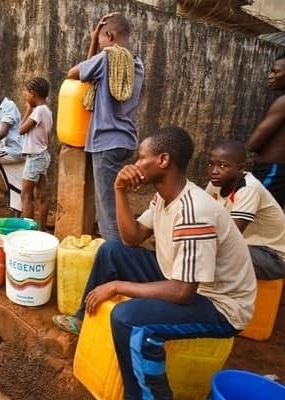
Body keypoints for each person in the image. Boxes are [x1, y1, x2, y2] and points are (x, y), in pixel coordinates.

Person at [52, 126, 256, 399]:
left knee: (129, 319)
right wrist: (119, 190)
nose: (135, 165)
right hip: (182, 279)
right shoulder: (164, 197)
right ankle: (81, 319)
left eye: (140, 158)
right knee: (111, 250)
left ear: (163, 160)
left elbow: (182, 292)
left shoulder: (194, 213)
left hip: (220, 305)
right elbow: (131, 238)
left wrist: (116, 286)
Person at [67, 12, 144, 240]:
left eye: (101, 39)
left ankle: (114, 258)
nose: (99, 44)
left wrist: (92, 42)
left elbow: (74, 73)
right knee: (114, 199)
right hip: (124, 139)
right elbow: (91, 76)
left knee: (107, 210)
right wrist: (96, 40)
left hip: (105, 141)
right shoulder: (136, 63)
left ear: (109, 35)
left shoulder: (107, 58)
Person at [205, 140, 285, 280]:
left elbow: (230, 236)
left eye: (223, 166)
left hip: (273, 257)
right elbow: (201, 217)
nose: (214, 171)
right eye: (211, 164)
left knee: (207, 254)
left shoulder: (248, 189)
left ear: (240, 168)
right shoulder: (217, 183)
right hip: (248, 248)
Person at [246, 54, 285, 207]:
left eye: (276, 72)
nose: (270, 76)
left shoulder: (283, 102)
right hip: (276, 171)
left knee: (252, 213)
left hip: (272, 170)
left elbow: (254, 143)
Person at [19, 77, 52, 231]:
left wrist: (27, 109)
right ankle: (42, 230)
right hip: (42, 156)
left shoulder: (38, 111)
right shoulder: (47, 111)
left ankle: (28, 233)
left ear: (33, 93)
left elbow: (21, 129)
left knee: (26, 196)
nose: (26, 96)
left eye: (27, 93)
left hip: (34, 157)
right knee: (43, 194)